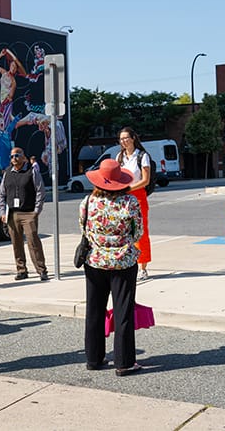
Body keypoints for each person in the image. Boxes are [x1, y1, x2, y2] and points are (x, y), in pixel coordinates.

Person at [80, 159, 143, 376]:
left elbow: (84, 227)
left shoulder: (88, 201)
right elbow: (138, 233)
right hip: (122, 261)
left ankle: (94, 358)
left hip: (95, 261)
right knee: (122, 311)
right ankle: (124, 362)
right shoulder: (130, 202)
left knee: (94, 310)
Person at [0, 147, 48, 281]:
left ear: (23, 157)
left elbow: (40, 191)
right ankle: (21, 269)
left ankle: (41, 270)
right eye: (12, 156)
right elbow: (2, 193)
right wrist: (3, 211)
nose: (14, 159)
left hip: (28, 213)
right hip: (13, 213)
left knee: (33, 242)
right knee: (16, 243)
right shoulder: (7, 172)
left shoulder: (32, 171)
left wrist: (36, 211)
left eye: (16, 155)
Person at [115, 127, 152, 280]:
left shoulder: (142, 156)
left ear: (133, 138)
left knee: (140, 232)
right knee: (123, 232)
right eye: (121, 139)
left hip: (137, 195)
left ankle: (142, 267)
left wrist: (129, 188)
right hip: (122, 197)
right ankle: (126, 263)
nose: (124, 141)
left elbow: (145, 180)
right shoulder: (120, 156)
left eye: (126, 138)